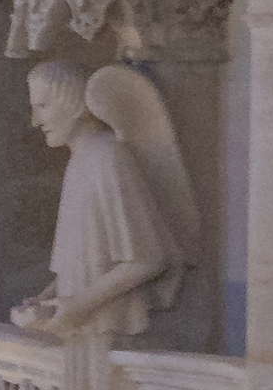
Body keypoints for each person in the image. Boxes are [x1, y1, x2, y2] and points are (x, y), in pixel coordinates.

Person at [11, 56, 193, 344]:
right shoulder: (81, 160)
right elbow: (91, 259)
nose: (36, 121)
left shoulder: (106, 156)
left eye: (43, 106)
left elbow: (148, 259)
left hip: (109, 328)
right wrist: (49, 297)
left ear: (73, 102)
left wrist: (80, 304)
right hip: (84, 328)